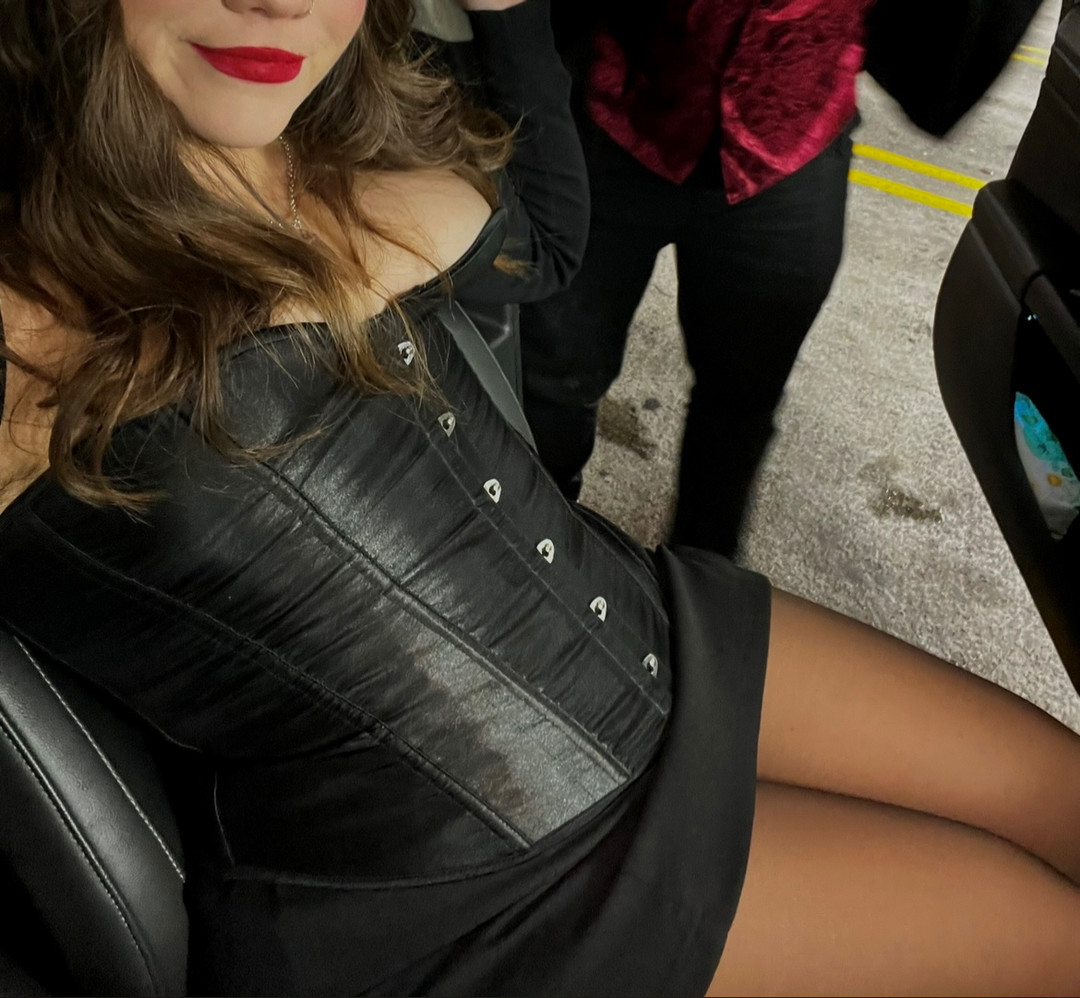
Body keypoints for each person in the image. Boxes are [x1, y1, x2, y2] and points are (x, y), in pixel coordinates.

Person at [2, 2, 1080, 996]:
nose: (283, 3)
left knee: (1064, 793)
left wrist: (507, 19)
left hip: (637, 626)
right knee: (1054, 940)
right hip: (496, 889)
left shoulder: (316, 146)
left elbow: (540, 236)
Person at [518, 0, 873, 558]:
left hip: (791, 134)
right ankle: (531, 556)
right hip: (620, 108)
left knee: (740, 407)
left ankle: (700, 577)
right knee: (552, 380)